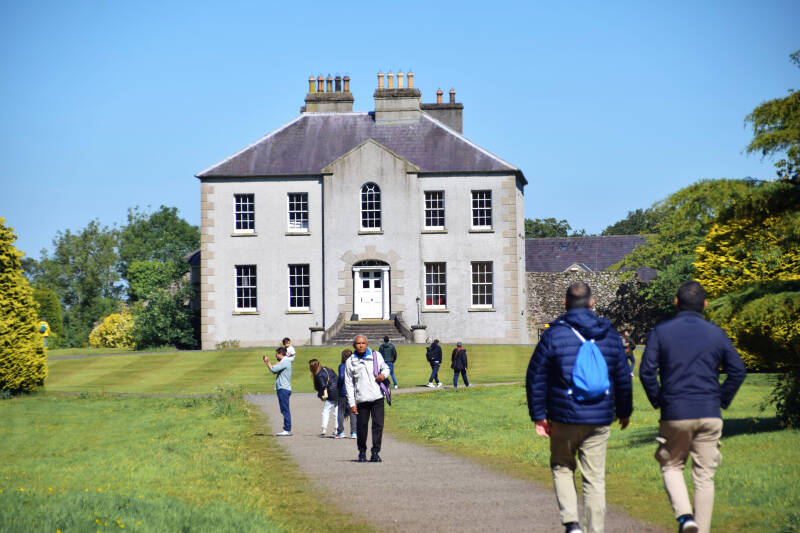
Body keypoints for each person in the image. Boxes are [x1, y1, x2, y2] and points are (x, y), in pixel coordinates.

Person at [526, 282, 633, 533]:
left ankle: (572, 524)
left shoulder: (553, 335)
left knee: (562, 466)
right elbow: (622, 378)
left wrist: (539, 415)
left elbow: (536, 376)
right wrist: (624, 412)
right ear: (592, 302)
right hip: (600, 416)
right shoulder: (610, 335)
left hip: (564, 416)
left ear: (565, 303)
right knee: (594, 479)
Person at [640, 281, 746, 533]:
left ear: (676, 303)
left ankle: (686, 517)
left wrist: (659, 399)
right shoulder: (716, 333)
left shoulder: (661, 332)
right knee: (704, 476)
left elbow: (646, 372)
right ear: (705, 305)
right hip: (710, 413)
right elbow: (738, 371)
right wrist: (720, 398)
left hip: (676, 411)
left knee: (671, 464)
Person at [344, 335, 390, 462]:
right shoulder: (350, 361)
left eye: (363, 343)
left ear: (367, 344)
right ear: (354, 345)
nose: (361, 345)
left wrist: (383, 375)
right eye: (358, 343)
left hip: (377, 397)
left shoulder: (376, 356)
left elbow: (386, 368)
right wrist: (352, 404)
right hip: (361, 399)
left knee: (378, 425)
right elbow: (348, 384)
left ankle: (375, 452)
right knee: (361, 427)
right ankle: (362, 452)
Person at [263, 346, 294, 436]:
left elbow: (273, 370)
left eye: (277, 354)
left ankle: (287, 429)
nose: (276, 355)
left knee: (285, 410)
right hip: (284, 388)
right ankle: (286, 429)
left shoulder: (285, 362)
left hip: (283, 389)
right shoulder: (284, 361)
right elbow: (276, 368)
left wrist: (267, 362)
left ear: (280, 354)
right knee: (284, 409)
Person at [309, 359, 339, 437]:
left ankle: (324, 429)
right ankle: (336, 429)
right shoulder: (326, 369)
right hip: (338, 390)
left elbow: (323, 386)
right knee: (337, 411)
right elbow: (335, 377)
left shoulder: (319, 374)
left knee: (326, 410)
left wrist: (321, 395)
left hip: (331, 392)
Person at [336, 349, 357, 439]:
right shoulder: (354, 365)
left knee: (340, 411)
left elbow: (341, 377)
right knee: (353, 411)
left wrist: (339, 385)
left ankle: (341, 431)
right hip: (352, 391)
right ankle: (354, 432)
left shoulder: (342, 366)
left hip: (343, 391)